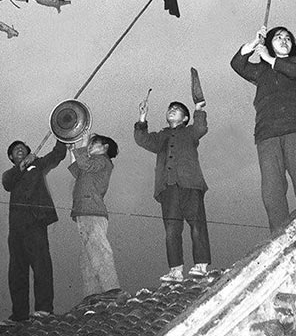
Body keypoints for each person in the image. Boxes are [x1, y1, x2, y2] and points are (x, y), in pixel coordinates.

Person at [231, 25, 296, 235]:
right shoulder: (260, 72)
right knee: (272, 192)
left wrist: (270, 58)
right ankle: (280, 239)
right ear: (269, 43)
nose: (284, 40)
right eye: (278, 37)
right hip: (266, 133)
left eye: (288, 38)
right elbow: (237, 64)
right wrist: (254, 44)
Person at [134, 98, 211, 282]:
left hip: (190, 184)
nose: (171, 110)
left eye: (176, 109)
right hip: (168, 188)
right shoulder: (162, 136)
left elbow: (201, 128)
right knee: (171, 230)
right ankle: (175, 270)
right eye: (170, 108)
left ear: (185, 119)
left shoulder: (190, 132)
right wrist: (142, 117)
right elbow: (142, 140)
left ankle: (201, 264)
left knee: (196, 225)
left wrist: (198, 109)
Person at [0, 137, 66, 326]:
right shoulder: (9, 174)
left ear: (29, 152)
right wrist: (21, 168)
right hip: (16, 227)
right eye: (15, 149)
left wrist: (61, 135)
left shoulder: (39, 165)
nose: (19, 149)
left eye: (23, 148)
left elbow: (58, 154)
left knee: (41, 265)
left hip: (35, 223)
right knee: (16, 271)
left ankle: (44, 309)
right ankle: (19, 315)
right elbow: (7, 183)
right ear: (12, 157)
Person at [67, 132, 121, 297]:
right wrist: (73, 149)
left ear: (105, 148)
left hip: (92, 210)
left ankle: (111, 288)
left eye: (93, 143)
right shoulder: (91, 164)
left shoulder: (103, 161)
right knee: (87, 257)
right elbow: (77, 168)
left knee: (98, 249)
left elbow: (84, 164)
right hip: (84, 211)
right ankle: (92, 294)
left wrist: (82, 144)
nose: (89, 146)